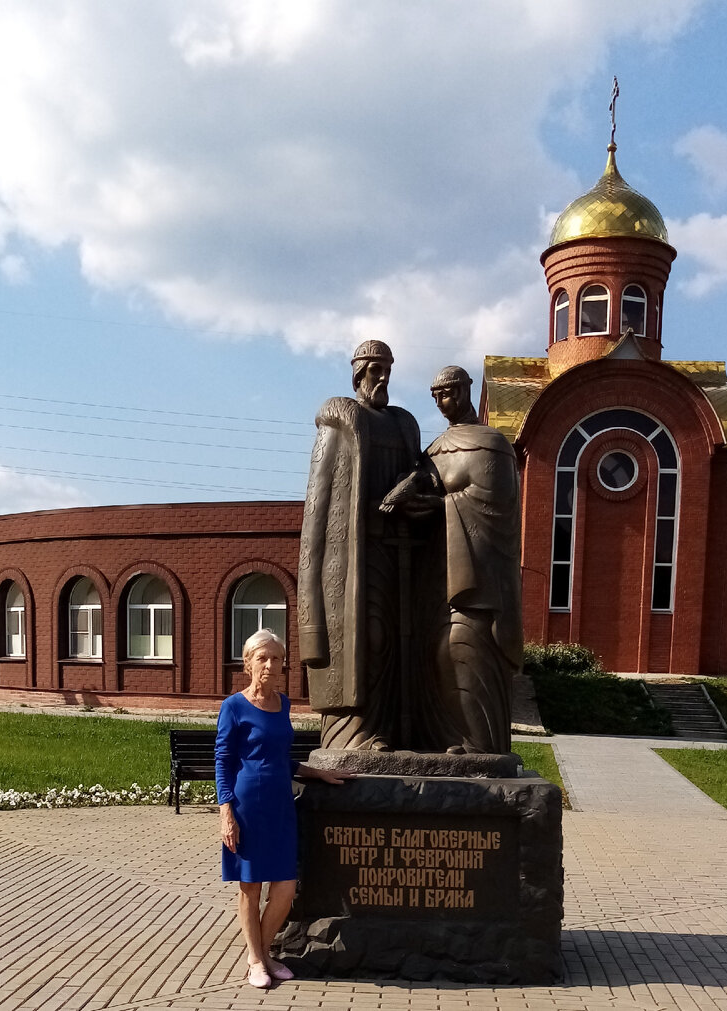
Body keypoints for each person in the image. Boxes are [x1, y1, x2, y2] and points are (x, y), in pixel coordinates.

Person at [298, 340, 425, 750]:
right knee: (370, 637)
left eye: (387, 368)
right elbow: (317, 509)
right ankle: (355, 735)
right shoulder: (340, 426)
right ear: (358, 375)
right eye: (374, 369)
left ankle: (394, 729)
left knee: (402, 640)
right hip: (356, 557)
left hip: (400, 554)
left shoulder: (404, 424)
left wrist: (415, 497)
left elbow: (422, 476)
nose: (383, 376)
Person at [215, 629, 354, 989]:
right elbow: (224, 762)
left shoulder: (284, 704)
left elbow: (281, 759)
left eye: (276, 658)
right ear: (249, 663)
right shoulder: (234, 707)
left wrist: (319, 772)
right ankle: (257, 959)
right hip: (247, 806)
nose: (271, 665)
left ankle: (261, 952)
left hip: (280, 806)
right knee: (250, 886)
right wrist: (226, 812)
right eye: (263, 658)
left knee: (286, 887)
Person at [424, 365, 523, 753]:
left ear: (465, 391)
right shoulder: (437, 447)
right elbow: (426, 482)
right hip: (444, 574)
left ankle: (483, 746)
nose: (443, 403)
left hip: (482, 579)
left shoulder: (493, 444)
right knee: (442, 653)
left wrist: (440, 505)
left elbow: (492, 506)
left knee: (467, 648)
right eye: (436, 398)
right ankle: (455, 738)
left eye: (448, 394)